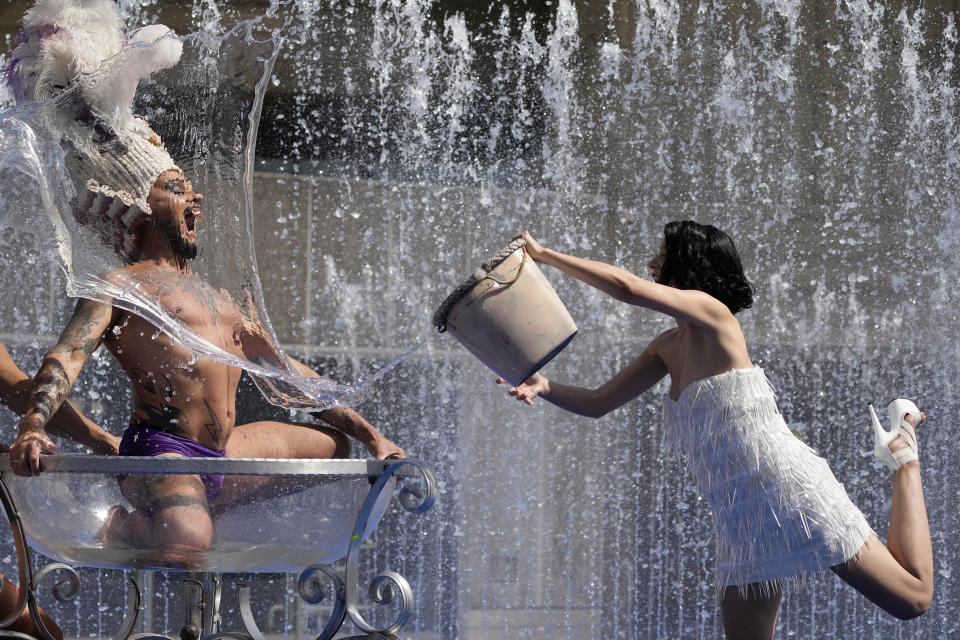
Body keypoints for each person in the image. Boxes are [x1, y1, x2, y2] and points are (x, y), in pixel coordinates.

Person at [5, 1, 404, 557]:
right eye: (176, 187)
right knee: (188, 540)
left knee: (339, 450)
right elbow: (65, 358)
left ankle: (197, 506)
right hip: (159, 453)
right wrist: (33, 426)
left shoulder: (220, 300)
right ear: (138, 206)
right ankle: (128, 523)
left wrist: (372, 435)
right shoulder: (123, 287)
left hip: (223, 456)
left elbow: (288, 376)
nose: (195, 198)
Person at [498, 223, 933, 639]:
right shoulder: (667, 348)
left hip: (788, 488)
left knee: (912, 599)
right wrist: (545, 385)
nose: (652, 262)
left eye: (663, 256)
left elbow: (627, 288)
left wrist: (545, 255)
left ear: (687, 267)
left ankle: (903, 454)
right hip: (738, 518)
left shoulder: (715, 315)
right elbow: (597, 404)